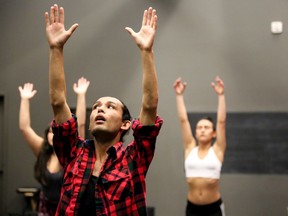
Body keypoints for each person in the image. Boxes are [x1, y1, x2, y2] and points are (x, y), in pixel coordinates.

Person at [45, 4, 163, 215]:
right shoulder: (74, 153)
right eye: (97, 106)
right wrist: (56, 49)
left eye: (110, 107)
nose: (100, 110)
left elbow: (150, 104)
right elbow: (57, 101)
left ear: (125, 123)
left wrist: (146, 51)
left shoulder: (134, 158)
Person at [18, 77, 90, 216]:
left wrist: (81, 95)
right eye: (51, 132)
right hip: (45, 209)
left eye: (56, 132)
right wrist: (25, 99)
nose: (53, 135)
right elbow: (24, 128)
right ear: (47, 136)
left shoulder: (72, 151)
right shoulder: (43, 150)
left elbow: (80, 124)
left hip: (68, 208)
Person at [173, 76, 226, 216]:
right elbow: (183, 120)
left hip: (213, 209)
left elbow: (221, 122)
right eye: (199, 127)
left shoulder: (218, 149)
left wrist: (221, 95)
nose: (202, 130)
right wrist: (179, 96)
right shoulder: (190, 147)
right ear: (195, 132)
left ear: (214, 133)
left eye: (207, 127)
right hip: (192, 208)